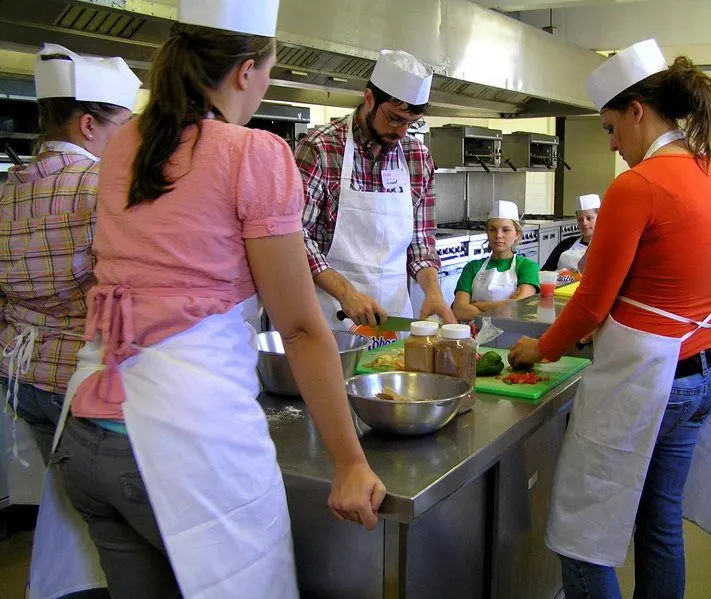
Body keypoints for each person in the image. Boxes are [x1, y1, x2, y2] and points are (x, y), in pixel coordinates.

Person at [50, 2, 385, 597]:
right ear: (245, 71)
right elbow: (302, 329)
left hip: (87, 438)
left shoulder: (122, 144)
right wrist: (350, 462)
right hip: (180, 449)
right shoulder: (252, 153)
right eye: (269, 73)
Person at [508, 39, 711, 599]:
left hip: (652, 382)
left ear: (638, 111)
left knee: (581, 536)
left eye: (612, 128)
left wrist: (539, 350)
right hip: (706, 371)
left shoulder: (637, 188)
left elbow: (591, 303)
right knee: (659, 525)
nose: (612, 145)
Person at [1, 42, 141, 599]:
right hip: (82, 384)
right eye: (123, 126)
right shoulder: (99, 188)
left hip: (22, 374)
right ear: (89, 124)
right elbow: (122, 291)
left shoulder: (8, 188)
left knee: (70, 505)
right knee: (112, 520)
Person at [295, 48, 455, 345]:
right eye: (394, 119)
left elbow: (421, 242)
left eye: (411, 122)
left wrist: (433, 292)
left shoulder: (417, 157)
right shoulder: (322, 148)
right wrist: (346, 292)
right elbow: (293, 234)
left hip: (395, 319)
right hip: (332, 317)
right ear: (369, 98)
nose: (402, 131)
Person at [452, 200, 540, 322]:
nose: (498, 235)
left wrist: (478, 305)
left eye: (506, 230)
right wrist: (507, 304)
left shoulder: (527, 267)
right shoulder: (472, 267)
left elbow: (520, 308)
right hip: (474, 336)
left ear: (517, 234)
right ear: (487, 233)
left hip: (513, 335)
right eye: (492, 229)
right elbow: (460, 311)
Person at [541, 193, 600, 276]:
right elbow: (545, 271)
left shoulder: (605, 248)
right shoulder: (566, 244)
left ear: (600, 218)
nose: (584, 223)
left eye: (589, 218)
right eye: (580, 219)